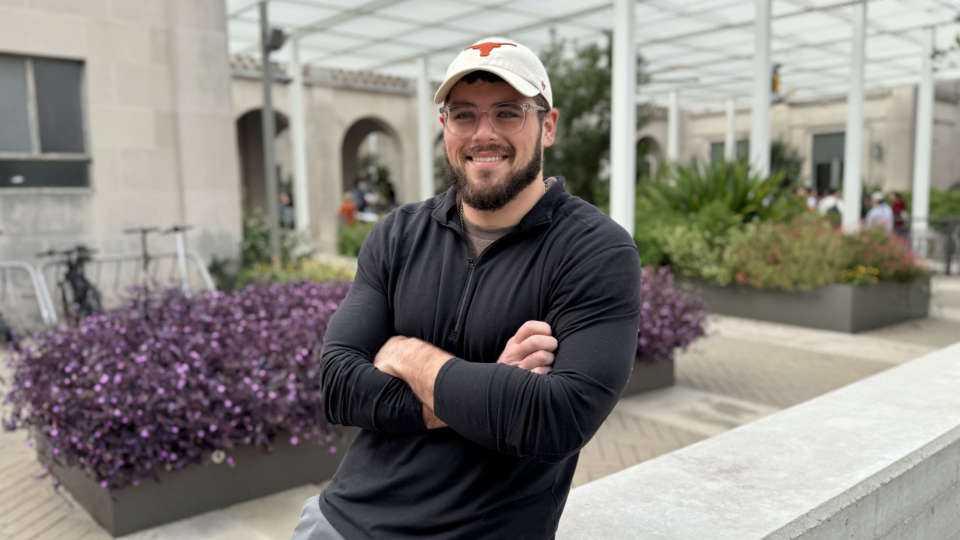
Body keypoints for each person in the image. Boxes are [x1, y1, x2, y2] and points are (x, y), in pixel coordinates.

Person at [290, 37, 641, 540]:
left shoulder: (595, 251)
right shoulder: (398, 234)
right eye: (463, 115)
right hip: (341, 524)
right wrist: (490, 389)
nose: (484, 133)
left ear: (548, 125)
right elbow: (340, 387)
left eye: (507, 113)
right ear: (444, 127)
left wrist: (409, 357)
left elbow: (556, 419)